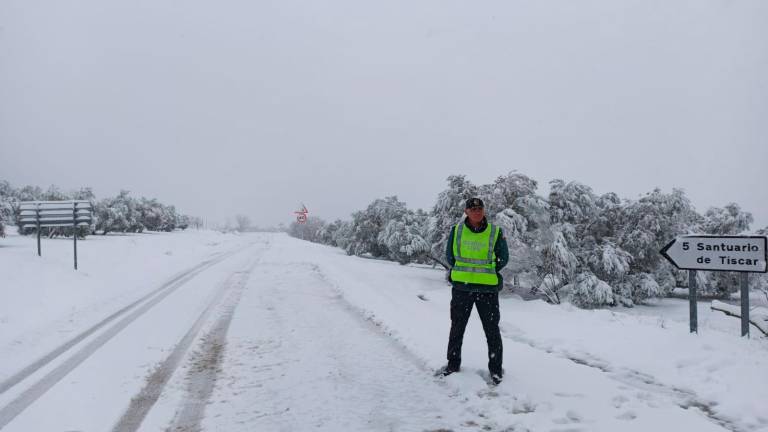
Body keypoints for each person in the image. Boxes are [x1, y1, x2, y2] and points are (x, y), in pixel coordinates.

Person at [439, 197, 509, 385]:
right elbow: (450, 256)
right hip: (462, 288)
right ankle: (453, 365)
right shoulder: (457, 231)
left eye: (480, 208)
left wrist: (490, 269)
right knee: (457, 328)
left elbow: (504, 257)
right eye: (473, 209)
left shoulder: (495, 232)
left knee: (492, 331)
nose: (477, 211)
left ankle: (495, 370)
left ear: (483, 211)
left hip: (487, 290)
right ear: (466, 212)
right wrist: (465, 273)